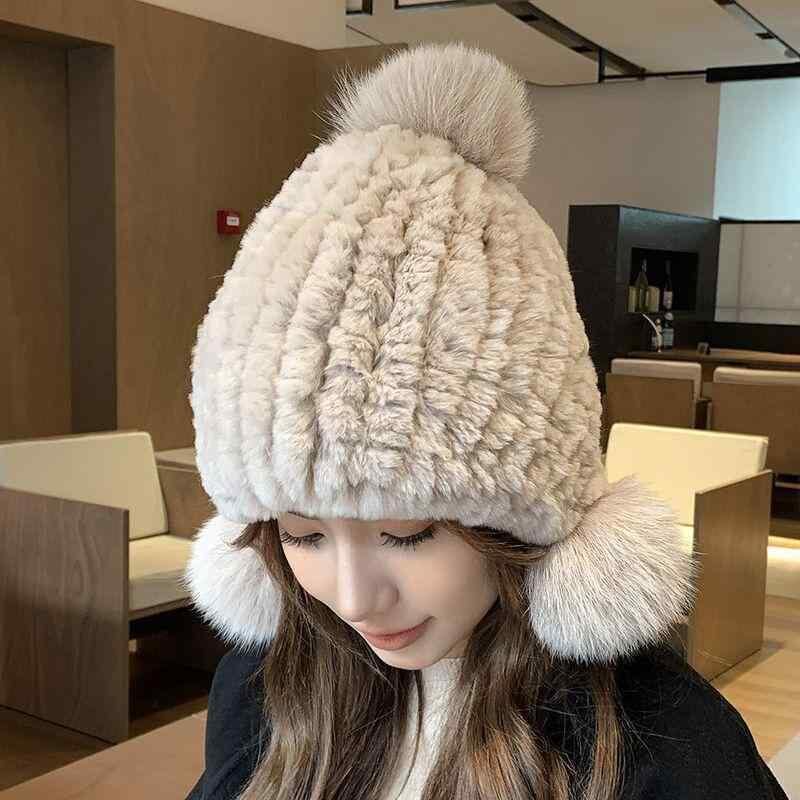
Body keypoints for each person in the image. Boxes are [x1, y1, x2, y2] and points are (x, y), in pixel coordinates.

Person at [181, 43, 787, 800]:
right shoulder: (264, 688)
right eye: (303, 535)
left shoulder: (659, 746)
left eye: (408, 533)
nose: (354, 598)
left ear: (521, 520)